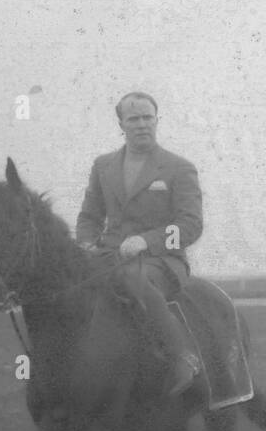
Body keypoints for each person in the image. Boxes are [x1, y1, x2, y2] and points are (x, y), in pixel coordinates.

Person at [76, 91, 202, 395]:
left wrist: (146, 241)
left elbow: (190, 225)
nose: (142, 124)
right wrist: (86, 243)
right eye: (134, 118)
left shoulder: (178, 168)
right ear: (121, 124)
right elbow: (89, 216)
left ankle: (181, 356)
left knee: (133, 278)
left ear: (157, 121)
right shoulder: (103, 166)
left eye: (148, 117)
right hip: (109, 256)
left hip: (162, 261)